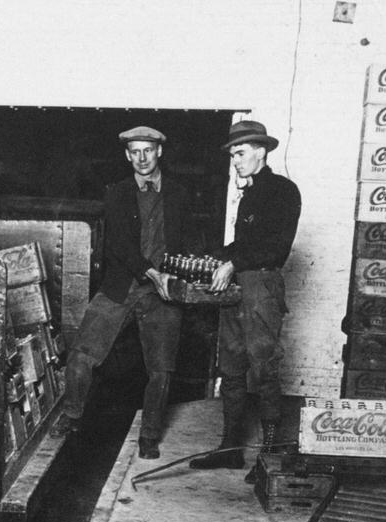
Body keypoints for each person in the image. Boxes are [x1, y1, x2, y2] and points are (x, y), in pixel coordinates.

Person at [51, 126, 196, 459]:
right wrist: (151, 273)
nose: (142, 158)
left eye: (148, 150)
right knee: (82, 354)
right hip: (122, 285)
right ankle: (72, 414)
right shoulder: (116, 193)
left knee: (161, 369)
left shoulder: (179, 193)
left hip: (163, 293)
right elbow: (119, 244)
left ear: (159, 152)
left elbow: (188, 240)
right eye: (135, 152)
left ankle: (149, 436)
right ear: (127, 156)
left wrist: (186, 272)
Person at [191, 119, 302, 479]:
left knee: (264, 368)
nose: (235, 161)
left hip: (261, 289)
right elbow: (244, 245)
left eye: (240, 153)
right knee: (231, 367)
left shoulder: (283, 191)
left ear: (261, 151)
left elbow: (276, 248)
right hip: (237, 289)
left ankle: (269, 455)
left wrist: (233, 263)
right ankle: (230, 448)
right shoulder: (250, 194)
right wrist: (212, 258)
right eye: (233, 155)